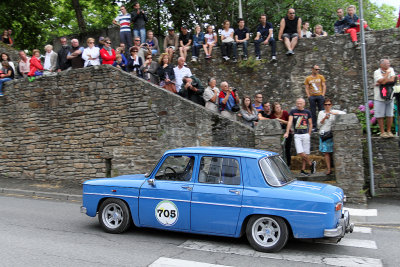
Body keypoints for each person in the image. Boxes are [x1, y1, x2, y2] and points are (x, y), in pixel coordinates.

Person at [284, 98, 316, 176]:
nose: (298, 105)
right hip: (297, 134)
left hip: (305, 134)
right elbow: (290, 122)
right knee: (300, 152)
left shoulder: (307, 112)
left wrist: (309, 133)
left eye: (300, 103)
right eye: (297, 103)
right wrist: (287, 132)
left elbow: (310, 123)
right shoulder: (293, 111)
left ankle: (303, 170)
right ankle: (311, 164)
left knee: (305, 153)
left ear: (304, 104)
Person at [317, 98, 346, 175]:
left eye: (329, 104)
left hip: (331, 133)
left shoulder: (333, 112)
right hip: (324, 133)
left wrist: (334, 114)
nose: (327, 106)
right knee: (326, 152)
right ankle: (329, 169)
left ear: (331, 105)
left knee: (334, 151)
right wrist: (324, 118)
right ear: (324, 105)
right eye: (326, 104)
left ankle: (336, 168)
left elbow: (344, 113)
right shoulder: (321, 113)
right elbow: (318, 125)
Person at [374, 59, 396, 138]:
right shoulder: (377, 72)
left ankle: (389, 131)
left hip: (389, 95)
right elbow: (382, 81)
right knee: (380, 115)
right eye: (387, 63)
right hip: (379, 97)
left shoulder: (391, 70)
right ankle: (382, 132)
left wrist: (383, 80)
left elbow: (392, 80)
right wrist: (386, 74)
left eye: (389, 63)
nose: (389, 64)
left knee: (390, 114)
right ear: (381, 65)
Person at [304, 64, 326, 131]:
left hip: (319, 96)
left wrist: (323, 94)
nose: (317, 70)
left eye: (318, 69)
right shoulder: (308, 78)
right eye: (316, 69)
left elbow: (324, 85)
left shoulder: (321, 77)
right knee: (312, 112)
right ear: (312, 69)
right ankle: (314, 126)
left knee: (321, 111)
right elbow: (307, 88)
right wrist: (309, 96)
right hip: (312, 96)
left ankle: (321, 126)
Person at [270, 102, 292, 167]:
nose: (278, 108)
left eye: (279, 107)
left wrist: (280, 120)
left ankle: (288, 164)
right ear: (274, 109)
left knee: (287, 149)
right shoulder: (272, 115)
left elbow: (289, 122)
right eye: (276, 107)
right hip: (277, 133)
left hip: (287, 133)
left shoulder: (285, 113)